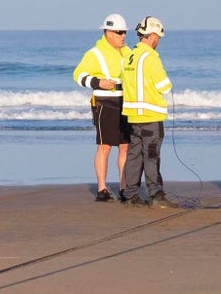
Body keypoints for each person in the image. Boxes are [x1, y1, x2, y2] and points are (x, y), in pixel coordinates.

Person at [72, 13, 133, 201]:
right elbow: (78, 75)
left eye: (124, 32)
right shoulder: (94, 53)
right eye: (119, 32)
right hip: (104, 103)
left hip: (126, 103)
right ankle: (102, 189)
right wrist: (97, 82)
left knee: (125, 147)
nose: (123, 36)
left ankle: (123, 188)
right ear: (108, 33)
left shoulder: (129, 52)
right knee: (104, 147)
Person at [119, 16, 176, 208]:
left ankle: (130, 195)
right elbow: (164, 86)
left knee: (135, 155)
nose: (158, 42)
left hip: (133, 117)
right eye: (158, 38)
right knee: (151, 156)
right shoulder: (150, 57)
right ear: (151, 36)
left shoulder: (129, 56)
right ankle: (156, 196)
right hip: (151, 117)